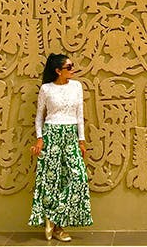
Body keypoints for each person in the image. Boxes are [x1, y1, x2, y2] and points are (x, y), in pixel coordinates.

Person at [29, 53, 93, 241]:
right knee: (52, 181)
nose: (73, 70)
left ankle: (55, 217)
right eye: (69, 67)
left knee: (77, 178)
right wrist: (40, 139)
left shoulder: (77, 87)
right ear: (58, 71)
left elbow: (79, 115)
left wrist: (81, 141)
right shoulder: (46, 89)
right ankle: (57, 226)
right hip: (52, 135)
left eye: (72, 66)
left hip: (71, 136)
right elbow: (39, 116)